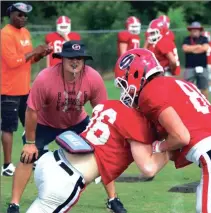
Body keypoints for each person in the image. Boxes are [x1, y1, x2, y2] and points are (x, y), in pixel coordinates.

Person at [114, 48, 211, 213]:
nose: (124, 90)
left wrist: (159, 146)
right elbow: (152, 166)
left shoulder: (150, 92)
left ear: (135, 73)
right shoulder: (179, 83)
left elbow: (181, 136)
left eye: (124, 82)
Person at [7, 41, 127, 213]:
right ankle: (14, 203)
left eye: (79, 58)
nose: (75, 61)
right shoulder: (45, 78)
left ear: (84, 60)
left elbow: (102, 110)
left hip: (77, 122)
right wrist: (30, 142)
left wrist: (104, 137)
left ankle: (113, 199)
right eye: (70, 57)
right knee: (28, 155)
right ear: (61, 59)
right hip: (45, 123)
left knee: (102, 153)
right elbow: (32, 110)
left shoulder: (93, 78)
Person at [26, 100, 170, 212]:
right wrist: (171, 149)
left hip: (49, 160)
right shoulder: (137, 123)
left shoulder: (110, 104)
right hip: (65, 179)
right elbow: (148, 168)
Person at [1, 2, 52, 176]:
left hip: (24, 88)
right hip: (8, 90)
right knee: (8, 128)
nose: (23, 18)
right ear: (11, 15)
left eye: (25, 15)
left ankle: (35, 158)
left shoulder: (25, 32)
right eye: (19, 15)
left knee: (32, 124)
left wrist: (40, 54)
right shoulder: (5, 34)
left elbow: (28, 60)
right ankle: (7, 165)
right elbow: (13, 62)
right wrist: (34, 51)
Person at [182, 22, 210, 98]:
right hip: (189, 67)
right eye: (193, 30)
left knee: (204, 88)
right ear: (190, 30)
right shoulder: (186, 39)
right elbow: (185, 49)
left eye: (197, 30)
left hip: (202, 67)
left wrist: (191, 49)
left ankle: (206, 106)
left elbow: (205, 48)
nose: (195, 31)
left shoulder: (204, 39)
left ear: (200, 30)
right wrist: (198, 46)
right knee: (187, 88)